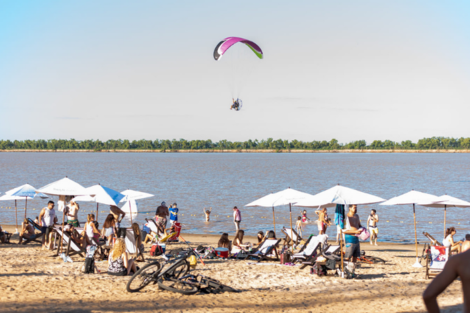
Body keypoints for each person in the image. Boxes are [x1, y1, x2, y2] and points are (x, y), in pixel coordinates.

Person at [343, 204, 362, 277]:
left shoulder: (356, 216)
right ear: (350, 208)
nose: (356, 209)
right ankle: (345, 271)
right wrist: (355, 232)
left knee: (355, 256)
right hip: (349, 238)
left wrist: (362, 229)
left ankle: (352, 271)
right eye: (354, 207)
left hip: (356, 238)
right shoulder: (347, 217)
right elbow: (344, 231)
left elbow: (359, 225)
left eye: (356, 207)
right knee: (348, 256)